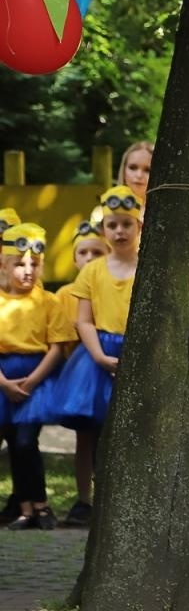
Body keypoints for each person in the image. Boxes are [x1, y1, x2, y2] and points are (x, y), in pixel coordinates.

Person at [54, 187, 144, 503]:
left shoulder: (148, 267)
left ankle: (123, 499)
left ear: (139, 226)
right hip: (97, 356)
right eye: (112, 225)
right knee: (87, 434)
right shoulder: (93, 271)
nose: (119, 231)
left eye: (126, 224)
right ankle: (84, 499)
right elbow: (84, 320)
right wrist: (101, 358)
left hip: (136, 353)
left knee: (130, 434)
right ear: (104, 229)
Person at [0, 223, 67, 529]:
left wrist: (32, 381)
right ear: (4, 264)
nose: (28, 271)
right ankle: (25, 508)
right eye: (20, 264)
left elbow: (56, 347)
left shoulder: (49, 302)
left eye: (35, 265)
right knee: (13, 442)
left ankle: (41, 505)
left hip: (35, 378)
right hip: (4, 378)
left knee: (26, 440)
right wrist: (4, 382)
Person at [53, 222, 109, 526]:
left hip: (106, 362)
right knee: (84, 438)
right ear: (74, 259)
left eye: (96, 251)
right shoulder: (64, 294)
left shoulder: (106, 279)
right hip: (81, 372)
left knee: (109, 437)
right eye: (83, 252)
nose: (89, 257)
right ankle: (83, 499)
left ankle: (106, 497)